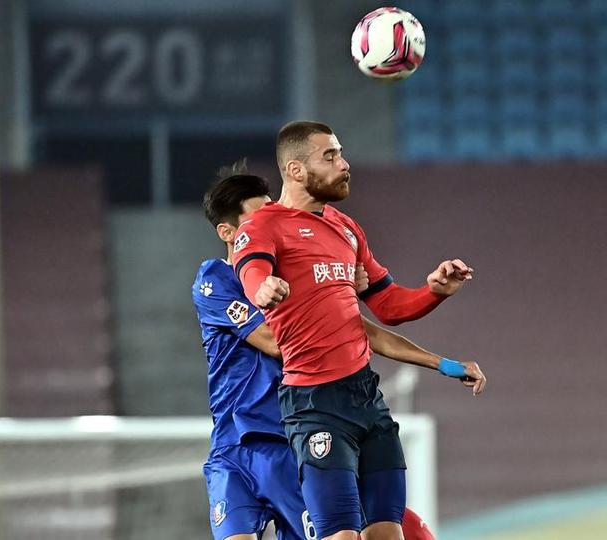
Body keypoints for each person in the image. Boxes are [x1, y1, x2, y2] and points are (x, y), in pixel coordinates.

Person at [194, 167, 485, 539]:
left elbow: (362, 330)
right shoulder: (215, 279)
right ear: (228, 232)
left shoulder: (302, 273)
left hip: (289, 443)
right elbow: (277, 341)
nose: (273, 219)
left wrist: (442, 364)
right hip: (233, 445)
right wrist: (333, 293)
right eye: (259, 216)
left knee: (391, 526)